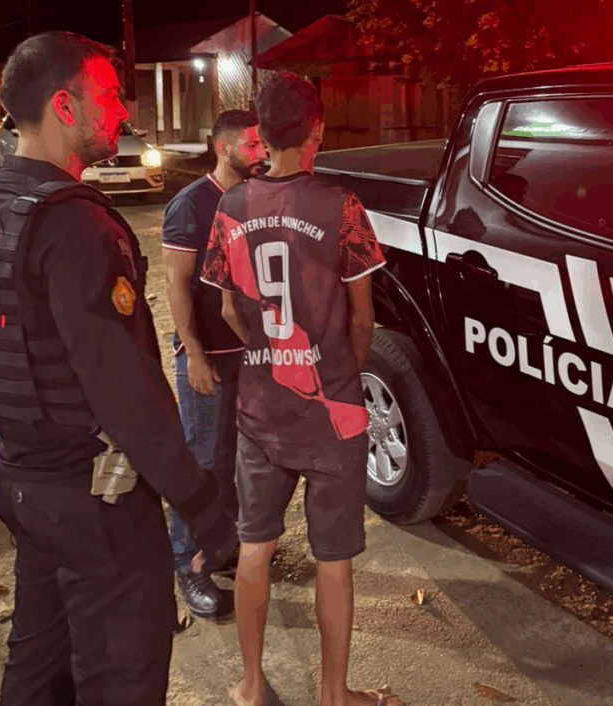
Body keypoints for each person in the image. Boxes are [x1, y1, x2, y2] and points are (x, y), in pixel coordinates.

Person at [0, 31, 235, 706]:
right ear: (64, 105)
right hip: (94, 502)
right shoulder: (73, 225)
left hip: (23, 485)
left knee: (38, 666)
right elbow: (122, 388)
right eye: (107, 94)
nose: (122, 111)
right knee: (120, 678)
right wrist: (201, 504)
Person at [201, 71, 405, 706]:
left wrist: (269, 354)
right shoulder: (341, 207)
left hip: (260, 408)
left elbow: (229, 308)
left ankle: (251, 685)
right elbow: (363, 318)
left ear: (261, 133)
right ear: (317, 128)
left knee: (255, 546)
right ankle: (335, 695)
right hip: (331, 411)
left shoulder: (230, 206)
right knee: (333, 559)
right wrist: (335, 365)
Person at [162, 109, 267, 619]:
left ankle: (222, 547)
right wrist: (194, 355)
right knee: (201, 462)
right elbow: (176, 284)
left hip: (249, 353)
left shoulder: (255, 199)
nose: (260, 153)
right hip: (209, 360)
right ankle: (187, 562)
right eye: (251, 145)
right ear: (222, 147)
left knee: (237, 461)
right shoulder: (191, 204)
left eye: (262, 144)